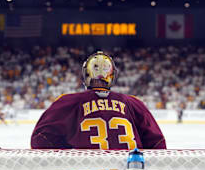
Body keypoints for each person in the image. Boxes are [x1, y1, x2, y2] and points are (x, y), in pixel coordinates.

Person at [31, 51, 166, 150]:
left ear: (86, 75)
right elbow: (157, 143)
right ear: (112, 76)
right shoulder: (134, 103)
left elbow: (40, 138)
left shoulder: (67, 102)